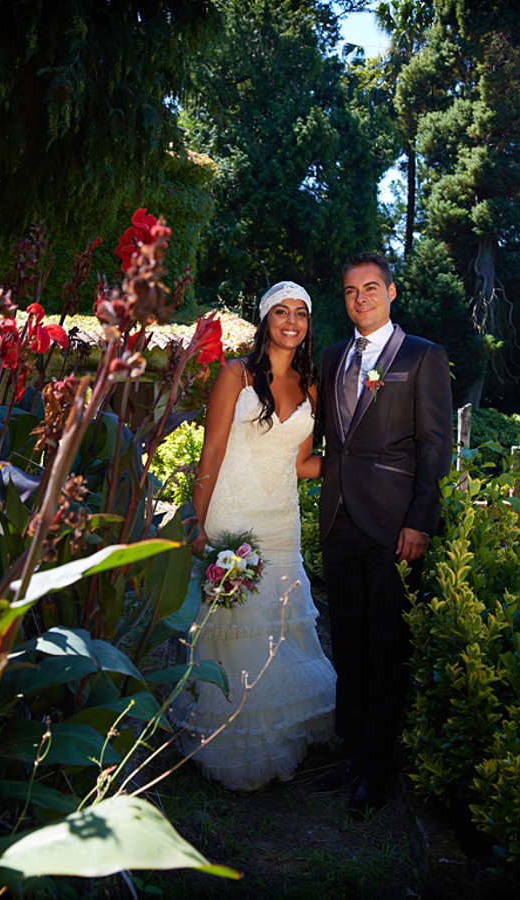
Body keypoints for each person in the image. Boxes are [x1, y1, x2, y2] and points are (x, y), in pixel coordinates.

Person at [174, 281, 336, 791]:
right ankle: (233, 745)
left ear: (309, 324)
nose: (292, 321)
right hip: (234, 519)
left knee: (277, 626)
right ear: (265, 319)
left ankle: (277, 734)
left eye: (302, 313)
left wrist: (359, 464)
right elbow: (213, 453)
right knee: (236, 633)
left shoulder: (311, 386)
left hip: (281, 523)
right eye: (282, 312)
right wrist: (196, 524)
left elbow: (304, 464)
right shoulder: (235, 376)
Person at [317, 252, 453, 819]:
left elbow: (435, 448)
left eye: (371, 288)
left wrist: (420, 520)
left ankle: (377, 769)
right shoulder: (330, 358)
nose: (361, 299)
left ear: (392, 293)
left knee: (386, 647)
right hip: (339, 520)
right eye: (351, 291)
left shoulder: (422, 357)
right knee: (346, 644)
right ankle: (351, 752)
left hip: (397, 526)